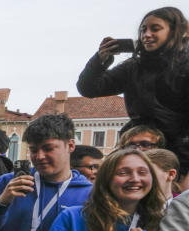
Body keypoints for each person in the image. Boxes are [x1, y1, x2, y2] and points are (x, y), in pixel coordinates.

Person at [77, 7, 189, 191]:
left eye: (155, 28)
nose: (147, 34)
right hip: (136, 146)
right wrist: (100, 60)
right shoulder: (134, 66)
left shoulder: (185, 66)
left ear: (174, 32)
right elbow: (89, 88)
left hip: (177, 153)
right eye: (143, 29)